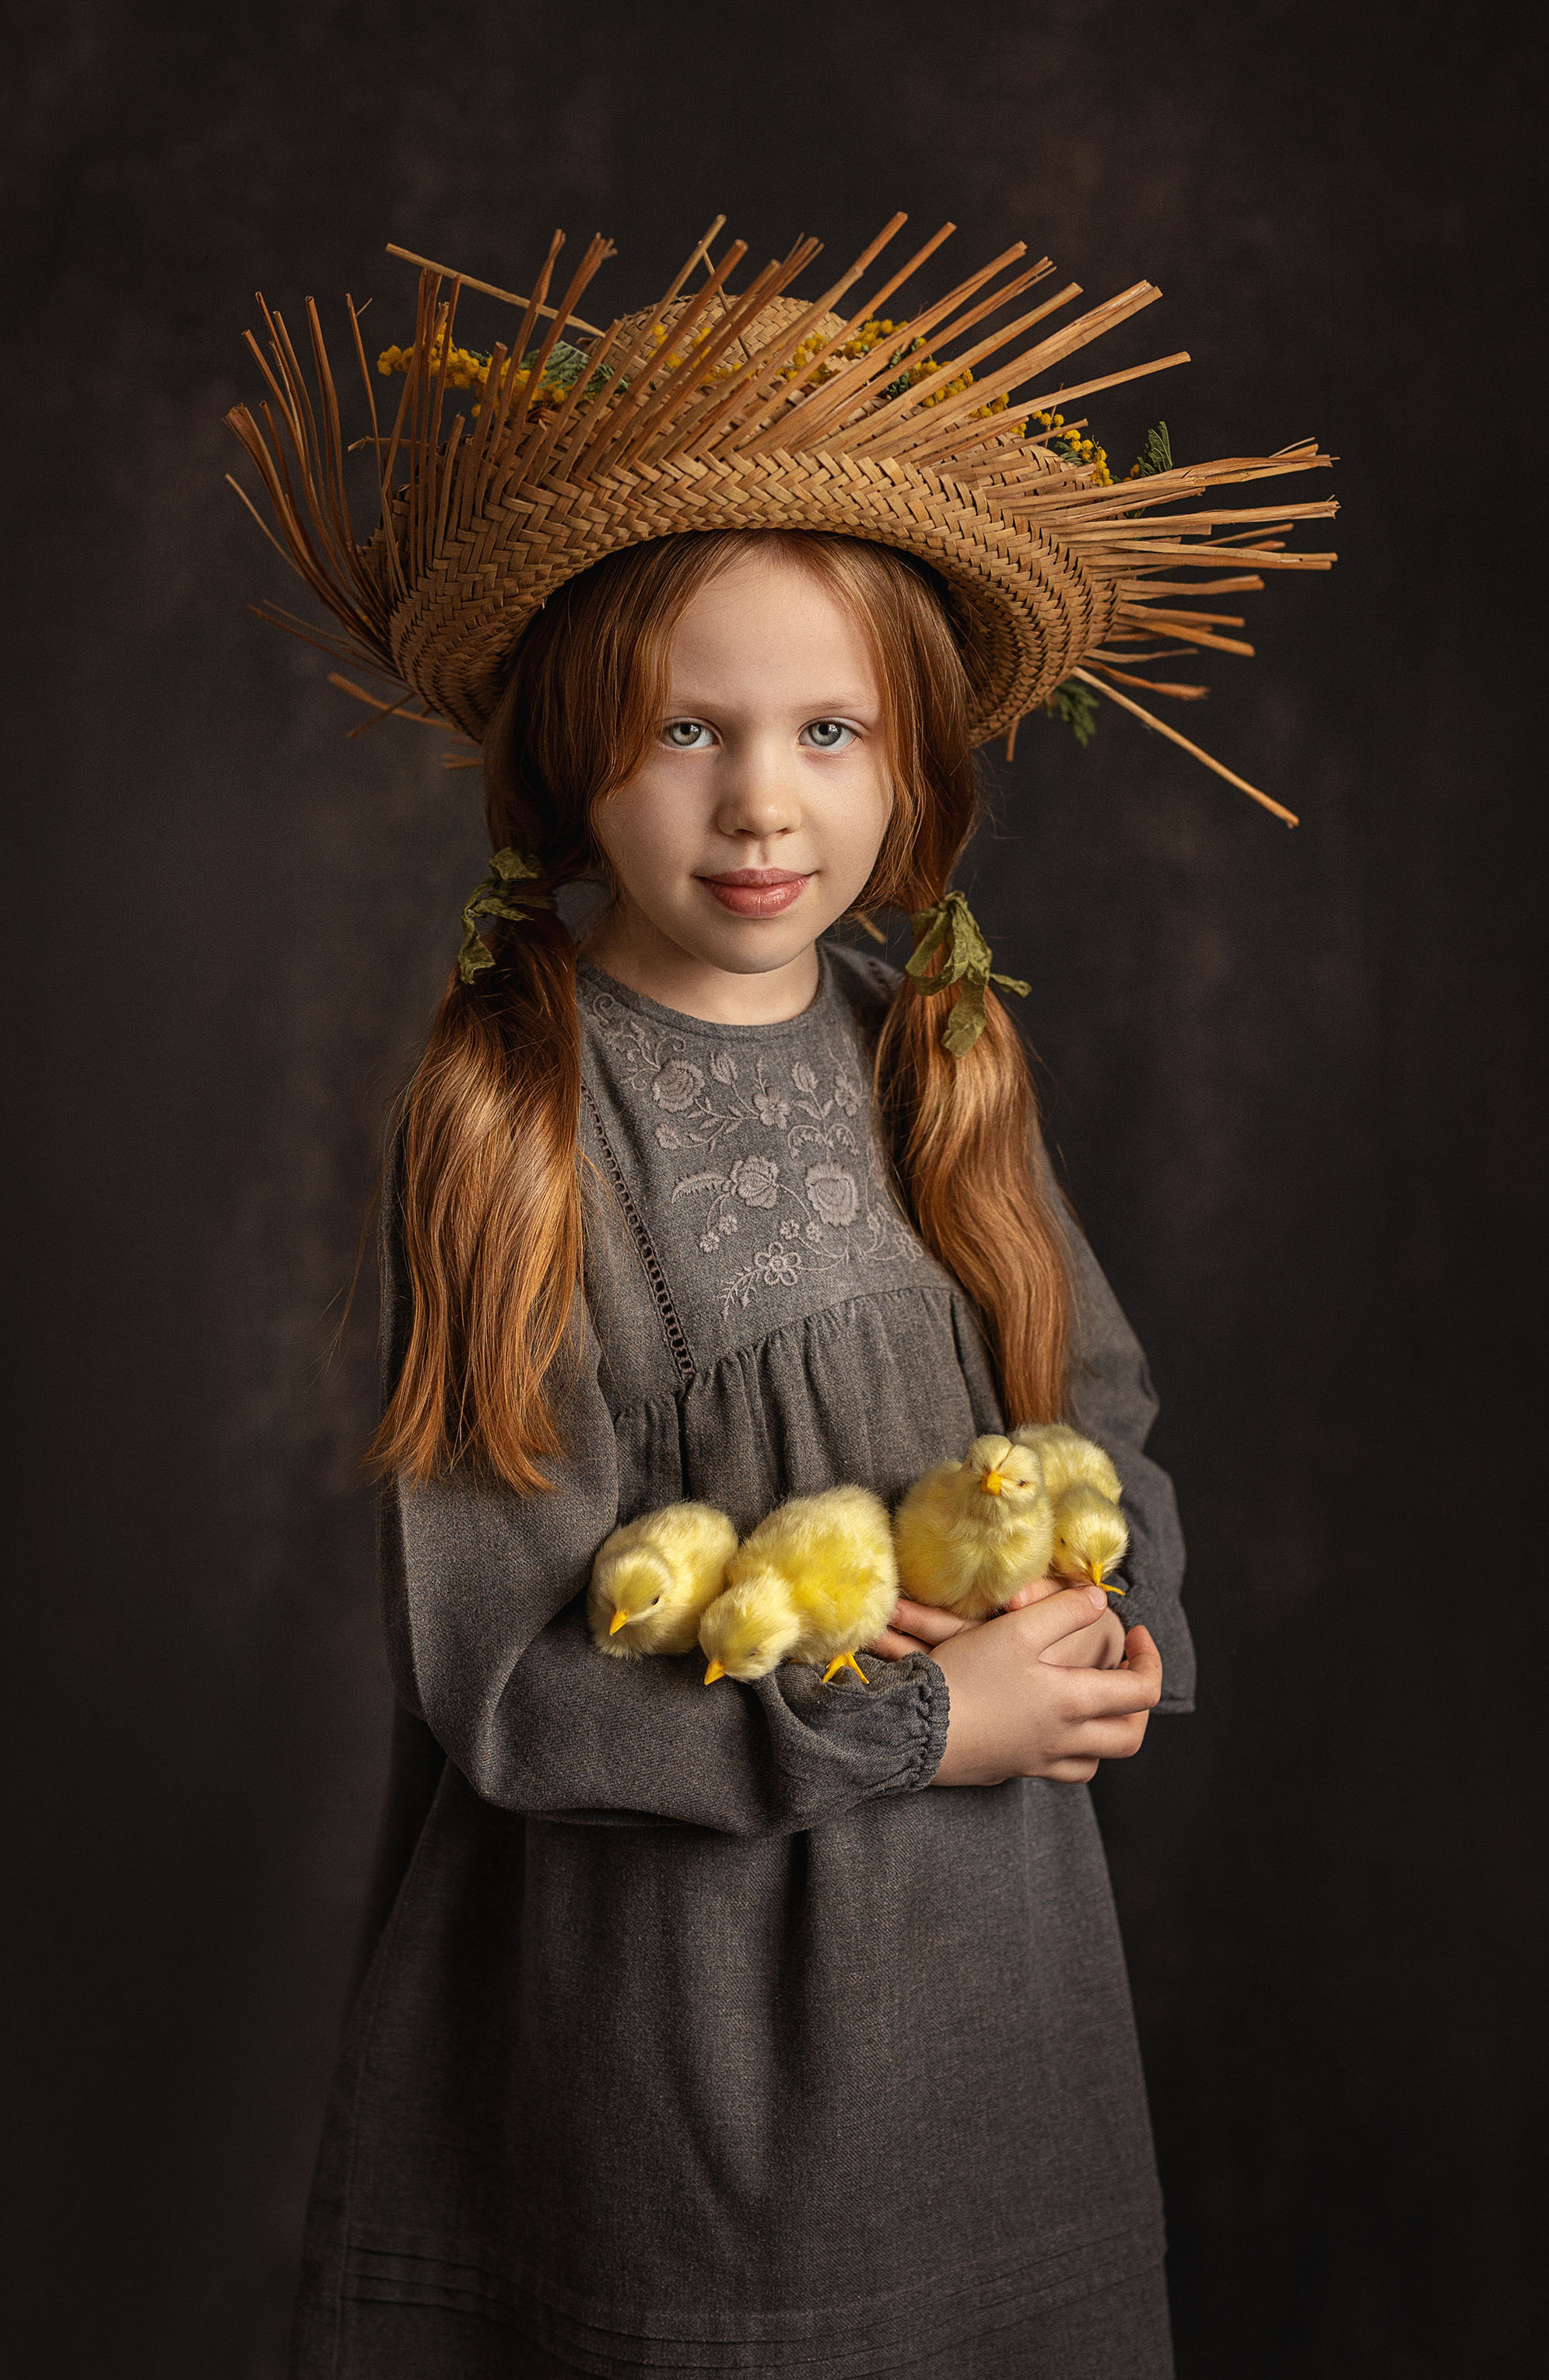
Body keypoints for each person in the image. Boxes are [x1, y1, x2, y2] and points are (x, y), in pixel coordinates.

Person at [228, 215, 1331, 2378]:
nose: (764, 802)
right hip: (694, 2061)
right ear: (569, 747)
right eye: (684, 730)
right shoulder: (515, 1116)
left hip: (996, 2025)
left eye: (831, 730)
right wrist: (925, 1718)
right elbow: (512, 1680)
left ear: (915, 766)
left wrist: (1097, 1639)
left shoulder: (935, 1050)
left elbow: (1097, 1407)